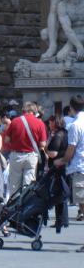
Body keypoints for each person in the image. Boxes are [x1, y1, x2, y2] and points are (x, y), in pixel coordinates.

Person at [54, 95, 84, 238]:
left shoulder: (75, 125)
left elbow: (71, 148)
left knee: (82, 203)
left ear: (71, 108)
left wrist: (62, 161)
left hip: (80, 167)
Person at [3, 101, 47, 196]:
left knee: (14, 184)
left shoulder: (15, 121)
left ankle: (14, 203)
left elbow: (6, 140)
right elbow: (43, 144)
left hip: (16, 155)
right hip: (31, 156)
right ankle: (25, 203)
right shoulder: (40, 123)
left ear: (23, 110)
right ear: (34, 111)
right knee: (28, 185)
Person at [45, 114, 69, 233]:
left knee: (58, 193)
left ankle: (60, 220)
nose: (49, 124)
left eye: (50, 122)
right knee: (61, 193)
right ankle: (62, 220)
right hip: (62, 166)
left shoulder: (58, 135)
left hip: (57, 167)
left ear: (55, 122)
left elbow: (53, 153)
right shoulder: (64, 133)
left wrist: (45, 149)